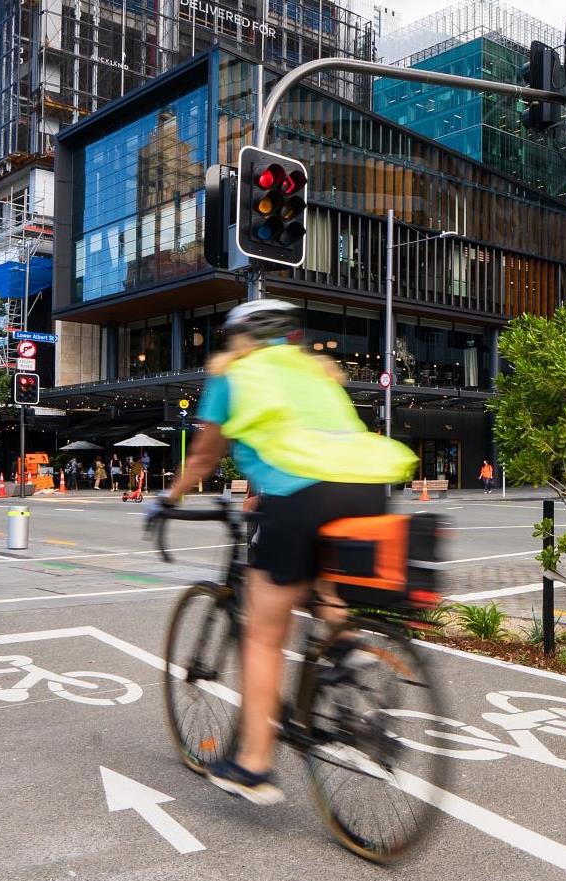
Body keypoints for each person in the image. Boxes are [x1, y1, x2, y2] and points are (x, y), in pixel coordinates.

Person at [154, 299, 416, 804]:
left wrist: (169, 499)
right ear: (289, 337)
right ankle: (345, 650)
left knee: (263, 630)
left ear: (240, 338)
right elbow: (303, 437)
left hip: (302, 494)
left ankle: (253, 764)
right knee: (321, 580)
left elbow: (206, 455)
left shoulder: (235, 375)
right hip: (365, 484)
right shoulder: (318, 372)